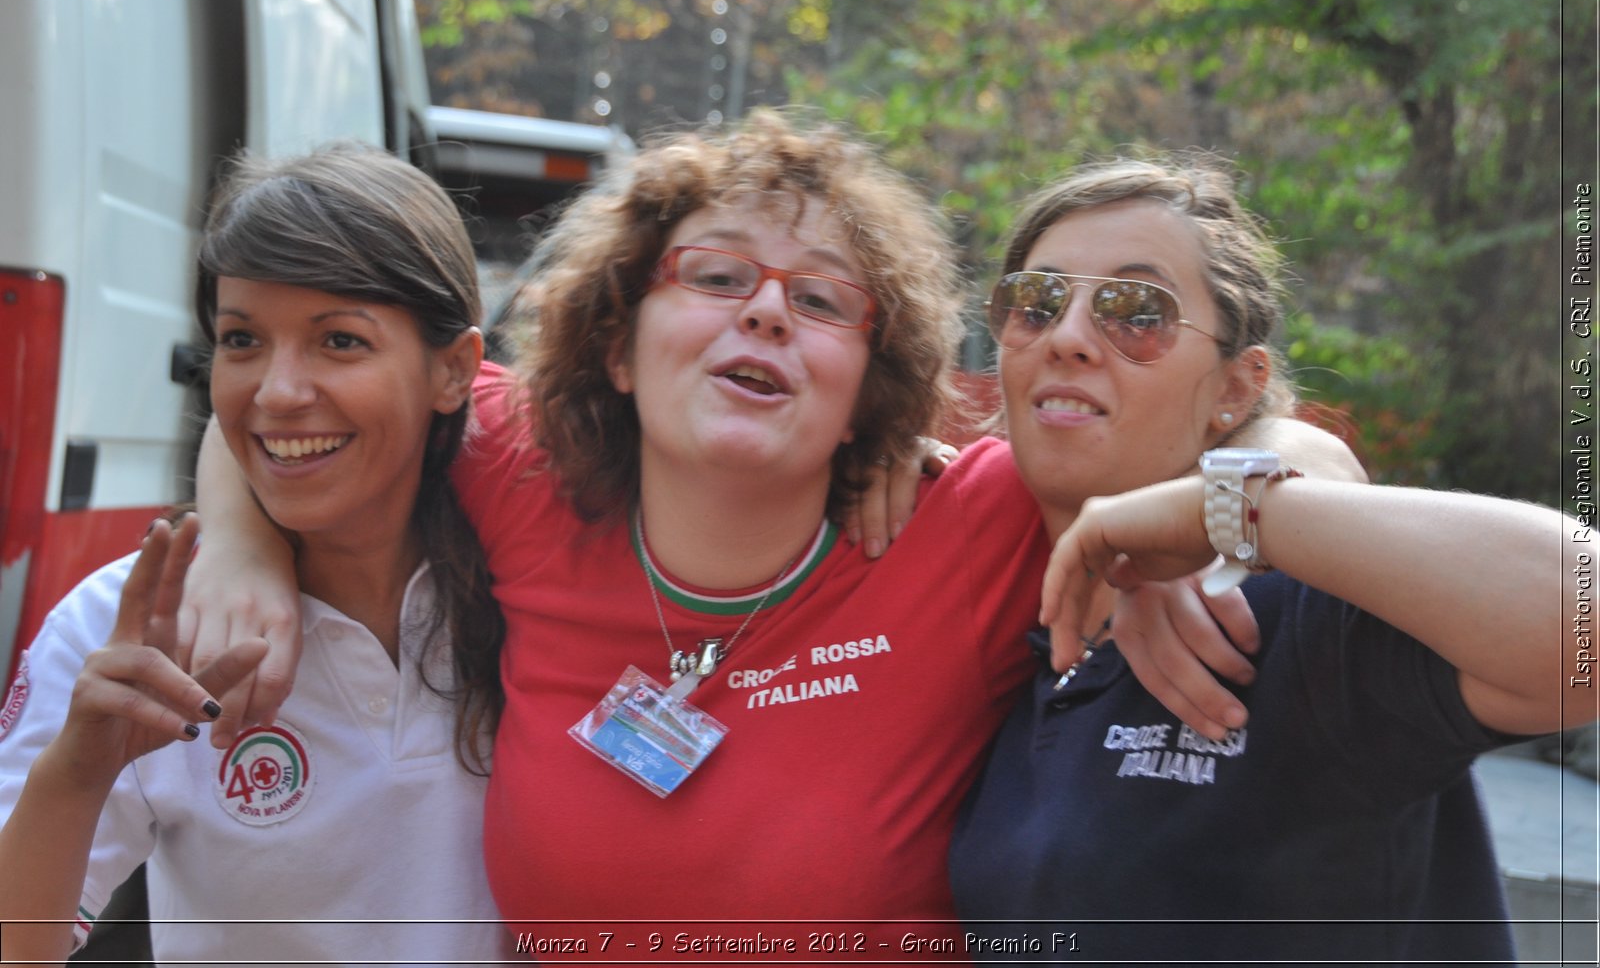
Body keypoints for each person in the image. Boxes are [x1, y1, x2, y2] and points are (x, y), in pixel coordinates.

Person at [181, 113, 1358, 950]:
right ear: (613, 342)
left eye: (820, 298)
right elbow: (299, 403)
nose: (764, 306)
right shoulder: (528, 468)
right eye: (717, 273)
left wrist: (1200, 522)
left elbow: (1297, 453)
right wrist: (238, 542)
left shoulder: (976, 515)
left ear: (872, 381)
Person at [949, 154, 1586, 964]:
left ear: (1235, 389)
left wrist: (1234, 508)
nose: (1068, 336)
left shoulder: (1292, 612)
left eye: (1138, 310)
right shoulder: (1012, 626)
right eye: (1034, 302)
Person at [0, 145, 513, 965]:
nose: (275, 391)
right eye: (241, 338)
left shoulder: (543, 587)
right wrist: (77, 771)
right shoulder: (124, 626)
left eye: (340, 341)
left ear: (454, 369)